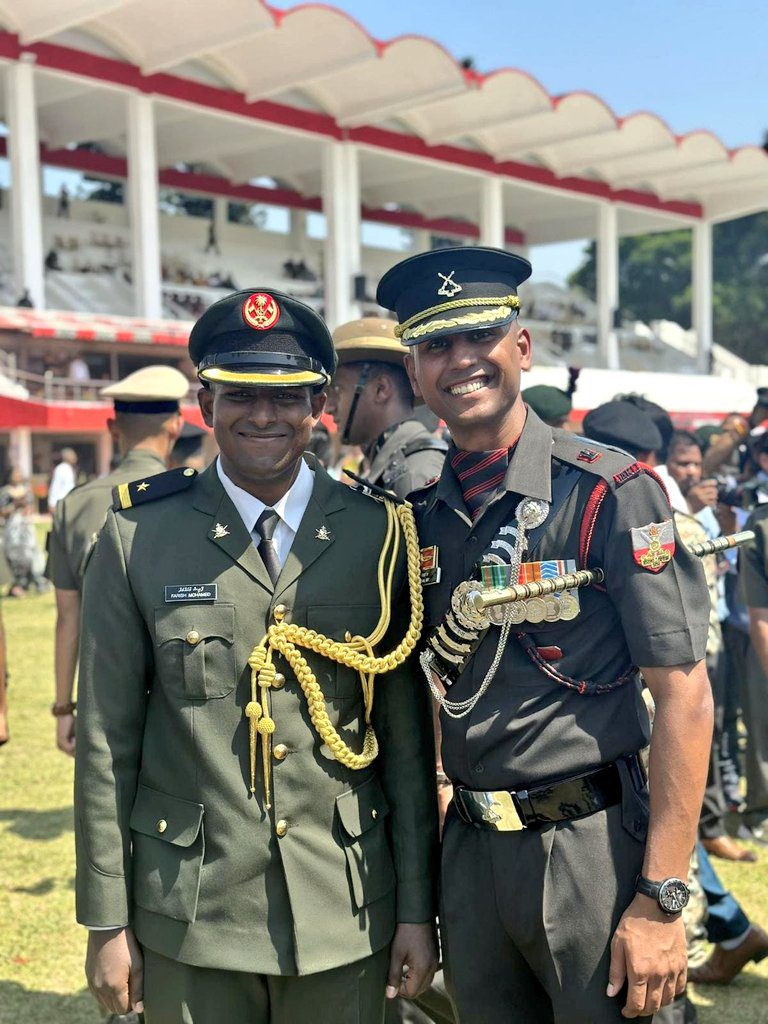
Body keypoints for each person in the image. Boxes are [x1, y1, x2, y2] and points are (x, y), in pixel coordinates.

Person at [75, 289, 438, 1023]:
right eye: (241, 393)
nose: (263, 415)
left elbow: (403, 744)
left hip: (346, 907)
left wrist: (416, 910)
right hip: (192, 913)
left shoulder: (379, 534)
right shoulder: (136, 538)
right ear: (205, 402)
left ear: (321, 404)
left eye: (287, 396)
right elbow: (106, 742)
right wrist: (106, 920)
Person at [377, 246, 713, 1023]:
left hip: (591, 849)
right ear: (417, 372)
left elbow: (684, 695)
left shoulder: (607, 492)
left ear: (520, 348)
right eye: (436, 346)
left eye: (479, 339)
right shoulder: (418, 515)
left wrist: (662, 896)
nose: (461, 362)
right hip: (470, 852)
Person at [46, 366, 188, 757]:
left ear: (113, 428)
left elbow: (67, 617)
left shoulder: (73, 506)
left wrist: (63, 706)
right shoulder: (194, 503)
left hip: (99, 695)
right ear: (176, 426)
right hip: (179, 702)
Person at [326, 317, 447, 499]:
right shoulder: (389, 464)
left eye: (338, 389)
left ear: (381, 389)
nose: (329, 407)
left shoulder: (416, 472)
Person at [739, 499, 768, 839]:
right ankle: (761, 811)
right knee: (762, 732)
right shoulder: (758, 527)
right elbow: (759, 613)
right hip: (764, 647)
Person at [48, 448, 78, 514]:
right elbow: (55, 487)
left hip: (69, 501)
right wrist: (52, 503)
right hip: (61, 502)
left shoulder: (70, 468)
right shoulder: (61, 468)